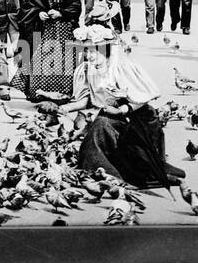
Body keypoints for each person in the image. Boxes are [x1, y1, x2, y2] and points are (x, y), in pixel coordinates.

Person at [46, 27, 183, 189]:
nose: (88, 56)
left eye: (93, 52)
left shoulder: (120, 67)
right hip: (108, 115)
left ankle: (116, 174)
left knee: (100, 127)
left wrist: (121, 110)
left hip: (133, 116)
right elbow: (89, 100)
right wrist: (64, 108)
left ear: (105, 51)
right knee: (101, 125)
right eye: (86, 51)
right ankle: (103, 171)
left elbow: (143, 98)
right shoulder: (86, 69)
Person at [20, 0, 83, 100]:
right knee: (42, 60)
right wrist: (38, 13)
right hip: (44, 29)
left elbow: (76, 6)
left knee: (64, 61)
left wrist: (62, 13)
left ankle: (63, 93)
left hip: (63, 29)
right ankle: (39, 92)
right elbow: (29, 4)